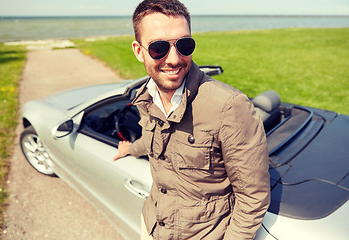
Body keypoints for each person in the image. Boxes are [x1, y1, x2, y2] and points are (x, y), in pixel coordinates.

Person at [113, 0, 270, 239]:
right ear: (138, 51)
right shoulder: (146, 99)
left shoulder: (229, 107)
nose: (174, 59)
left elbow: (253, 197)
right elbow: (154, 141)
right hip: (152, 225)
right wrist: (131, 149)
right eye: (158, 48)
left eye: (184, 45)